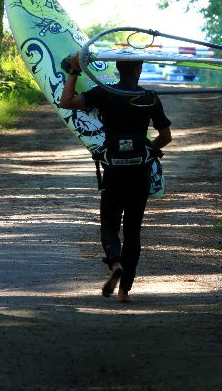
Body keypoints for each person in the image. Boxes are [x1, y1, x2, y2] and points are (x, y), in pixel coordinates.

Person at [60, 53, 171, 302]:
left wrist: (74, 71)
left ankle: (115, 264)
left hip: (114, 172)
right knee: (133, 230)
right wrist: (149, 150)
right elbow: (166, 137)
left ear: (117, 69)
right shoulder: (149, 98)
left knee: (109, 225)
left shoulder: (103, 93)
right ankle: (124, 291)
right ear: (139, 69)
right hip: (139, 172)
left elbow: (66, 102)